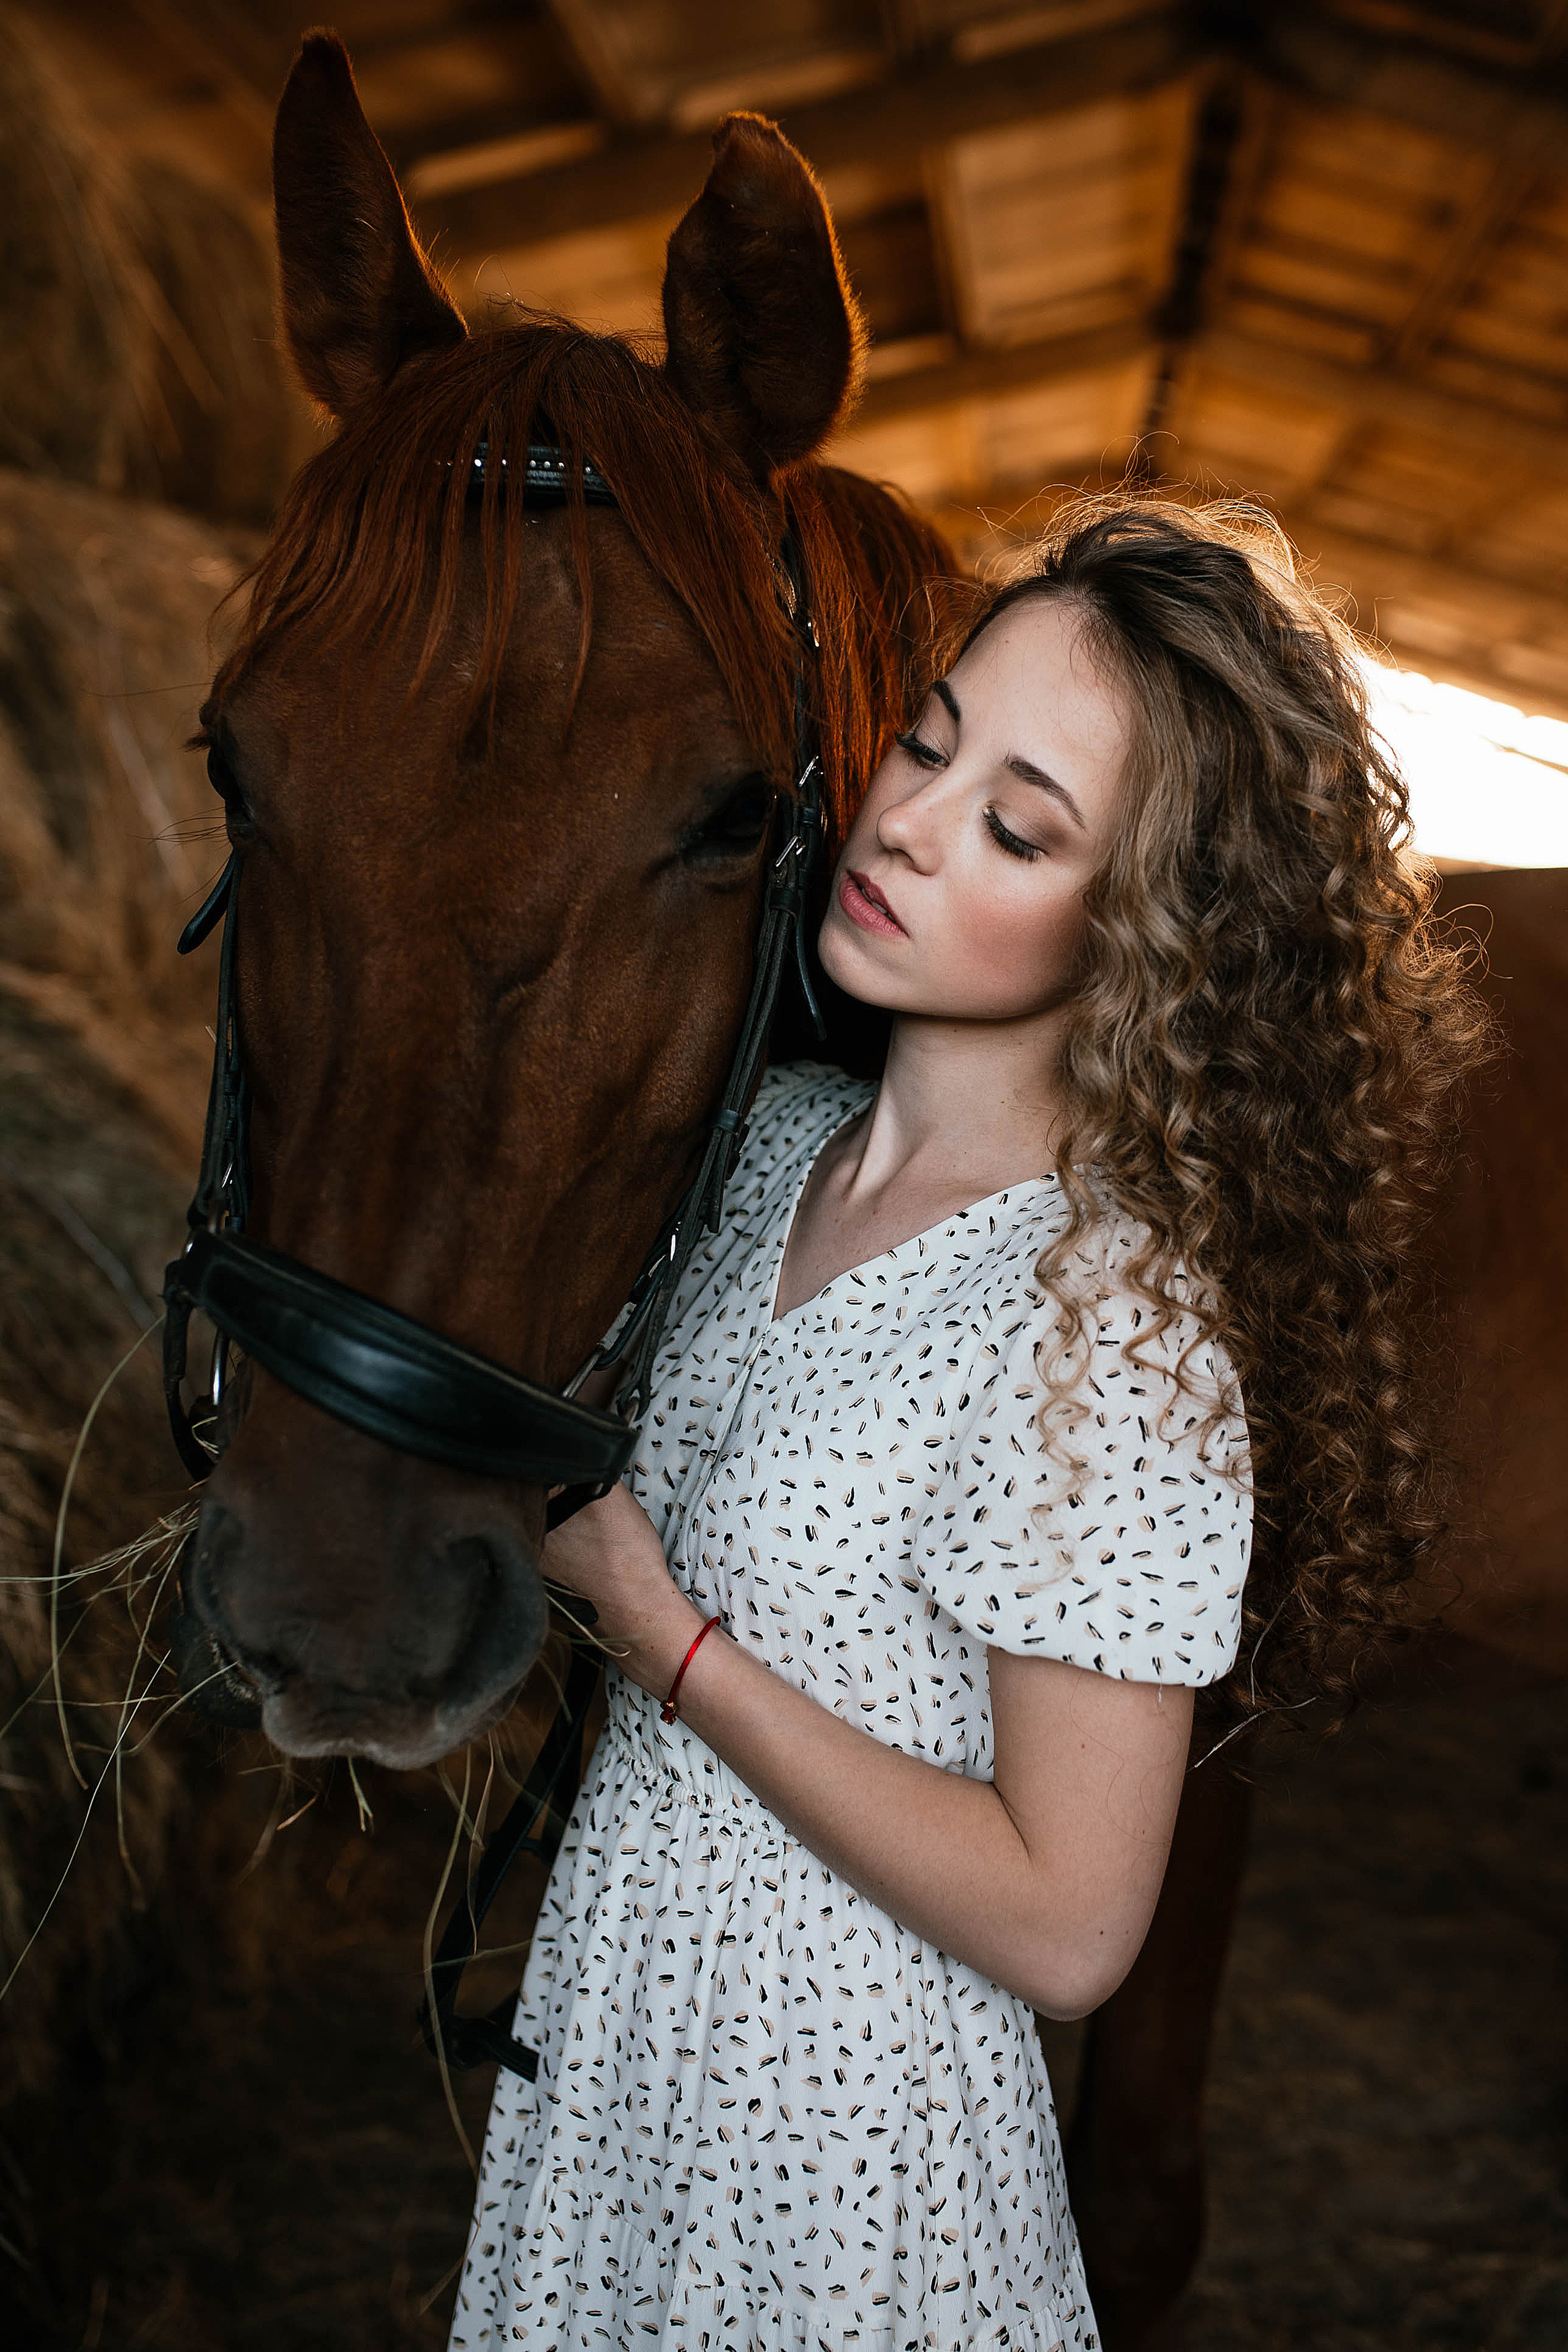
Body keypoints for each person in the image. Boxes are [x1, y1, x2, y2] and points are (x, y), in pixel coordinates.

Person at [448, 497, 1485, 2352]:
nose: (907, 828)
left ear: (1149, 934)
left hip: (845, 2147)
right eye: (924, 745)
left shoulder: (1113, 1319)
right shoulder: (758, 1158)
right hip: (615, 2053)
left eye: (1017, 826)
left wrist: (669, 1640)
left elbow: (1074, 1927)